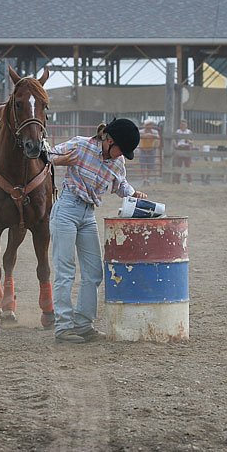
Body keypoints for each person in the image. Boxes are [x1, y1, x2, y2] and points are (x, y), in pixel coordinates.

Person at [48, 118, 146, 344]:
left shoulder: (117, 161)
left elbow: (120, 184)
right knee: (66, 271)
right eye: (121, 148)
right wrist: (61, 161)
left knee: (93, 273)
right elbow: (48, 155)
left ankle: (83, 325)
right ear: (109, 140)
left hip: (87, 214)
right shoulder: (80, 145)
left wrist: (133, 193)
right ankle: (63, 328)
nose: (122, 154)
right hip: (66, 209)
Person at [137, 119, 160, 186]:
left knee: (150, 165)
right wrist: (144, 136)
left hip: (151, 149)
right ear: (145, 125)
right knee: (143, 164)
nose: (150, 126)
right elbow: (137, 137)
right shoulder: (141, 132)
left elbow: (158, 138)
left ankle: (148, 178)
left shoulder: (155, 132)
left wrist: (152, 136)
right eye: (148, 124)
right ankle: (144, 179)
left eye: (151, 124)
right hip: (142, 149)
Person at [173, 119, 193, 184]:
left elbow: (192, 141)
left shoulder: (189, 132)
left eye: (184, 124)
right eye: (181, 124)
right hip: (179, 148)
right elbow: (174, 139)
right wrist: (175, 145)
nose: (183, 126)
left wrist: (189, 141)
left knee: (187, 165)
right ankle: (177, 181)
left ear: (186, 125)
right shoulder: (178, 131)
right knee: (178, 164)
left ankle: (189, 181)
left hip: (186, 148)